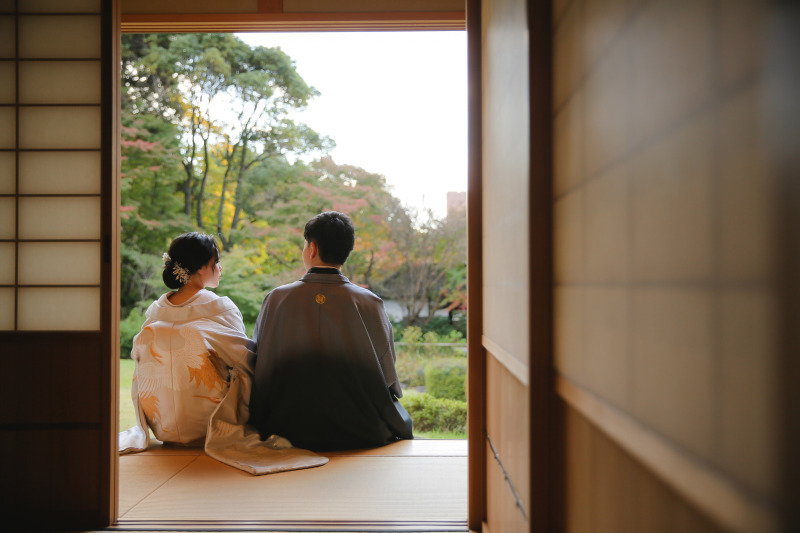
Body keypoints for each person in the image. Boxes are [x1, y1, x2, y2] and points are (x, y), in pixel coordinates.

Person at [118, 232, 327, 475]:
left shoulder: (155, 313)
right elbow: (247, 360)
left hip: (161, 424)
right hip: (209, 424)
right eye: (215, 262)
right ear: (199, 268)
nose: (219, 267)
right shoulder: (219, 308)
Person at [250, 211, 413, 451]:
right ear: (345, 252)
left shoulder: (276, 299)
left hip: (286, 428)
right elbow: (388, 375)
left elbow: (261, 368)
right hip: (361, 428)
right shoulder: (370, 302)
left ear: (312, 248)